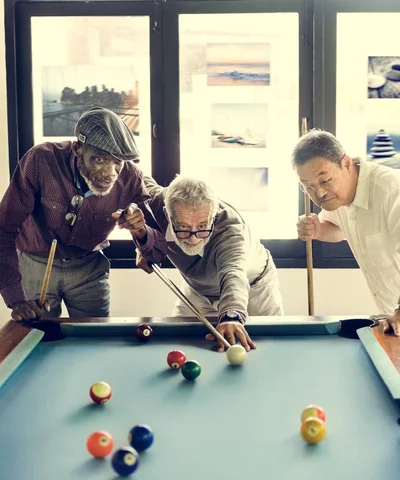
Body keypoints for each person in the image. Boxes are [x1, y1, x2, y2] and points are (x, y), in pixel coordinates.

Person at [0, 107, 167, 320]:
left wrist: (141, 231)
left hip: (89, 267)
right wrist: (15, 298)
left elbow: (159, 252)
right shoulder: (40, 160)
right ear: (78, 149)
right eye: (99, 160)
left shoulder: (130, 177)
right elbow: (4, 229)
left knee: (95, 339)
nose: (110, 173)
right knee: (37, 335)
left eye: (117, 162)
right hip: (35, 264)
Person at [136, 175, 283, 351]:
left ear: (213, 216)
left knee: (270, 349)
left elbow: (233, 274)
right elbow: (130, 174)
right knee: (179, 347)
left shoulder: (231, 231)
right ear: (167, 213)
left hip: (255, 288)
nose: (193, 238)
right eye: (183, 227)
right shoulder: (155, 203)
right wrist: (144, 242)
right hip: (197, 288)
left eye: (202, 227)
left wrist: (232, 316)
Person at [293, 129, 400, 336]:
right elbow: (338, 230)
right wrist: (317, 230)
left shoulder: (392, 190)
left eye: (324, 181)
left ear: (346, 164)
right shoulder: (338, 198)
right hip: (391, 319)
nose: (319, 193)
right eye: (308, 187)